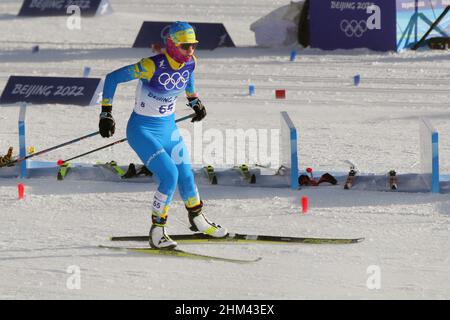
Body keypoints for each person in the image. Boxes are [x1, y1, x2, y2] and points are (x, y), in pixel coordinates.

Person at [99, 21, 227, 249]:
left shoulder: (191, 62)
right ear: (172, 44)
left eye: (193, 46)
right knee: (169, 175)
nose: (191, 51)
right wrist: (106, 113)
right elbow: (112, 78)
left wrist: (194, 100)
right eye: (185, 46)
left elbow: (188, 77)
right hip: (142, 130)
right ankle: (157, 231)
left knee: (186, 174)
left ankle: (198, 220)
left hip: (168, 129)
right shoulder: (150, 66)